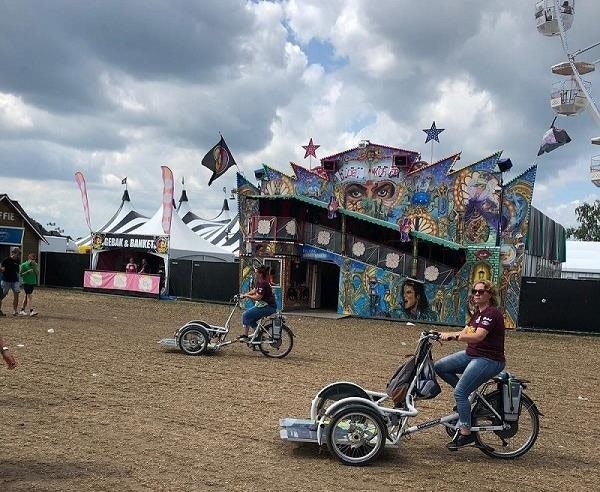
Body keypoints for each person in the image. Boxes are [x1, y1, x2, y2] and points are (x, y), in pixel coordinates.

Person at [434, 280, 506, 450]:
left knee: (459, 393)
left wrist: (452, 336)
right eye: (475, 291)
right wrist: (439, 334)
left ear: (490, 294)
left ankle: (466, 432)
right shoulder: (477, 313)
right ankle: (467, 396)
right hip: (471, 355)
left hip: (489, 359)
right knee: (440, 366)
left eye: (481, 291)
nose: (477, 294)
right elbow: (464, 332)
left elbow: (478, 336)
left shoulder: (492, 313)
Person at [238, 265, 277, 341]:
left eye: (255, 273)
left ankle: (246, 336)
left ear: (260, 274)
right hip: (264, 305)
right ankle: (259, 335)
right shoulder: (259, 282)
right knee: (251, 320)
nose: (254, 274)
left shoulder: (263, 283)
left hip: (268, 307)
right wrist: (245, 294)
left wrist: (247, 296)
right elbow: (255, 290)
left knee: (246, 315)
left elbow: (258, 297)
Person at [0, 247, 22, 317]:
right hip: (6, 280)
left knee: (16, 295)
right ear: (12, 253)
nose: (17, 255)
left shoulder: (18, 260)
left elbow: (17, 270)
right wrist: (2, 269)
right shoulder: (6, 260)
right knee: (2, 295)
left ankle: (15, 311)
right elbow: (2, 268)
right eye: (16, 254)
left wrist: (18, 276)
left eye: (18, 254)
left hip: (15, 281)